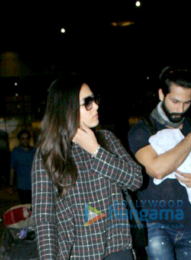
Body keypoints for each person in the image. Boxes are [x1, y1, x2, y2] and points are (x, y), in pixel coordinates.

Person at [31, 75, 143, 260]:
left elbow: (136, 180)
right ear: (67, 108)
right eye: (87, 102)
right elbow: (44, 218)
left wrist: (96, 151)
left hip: (116, 246)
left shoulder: (107, 139)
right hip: (76, 252)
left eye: (94, 99)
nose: (96, 106)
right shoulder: (49, 152)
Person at [128, 67, 191, 260]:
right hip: (155, 224)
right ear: (161, 94)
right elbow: (157, 169)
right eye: (175, 101)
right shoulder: (143, 130)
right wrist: (190, 139)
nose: (180, 109)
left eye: (186, 103)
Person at [9, 129, 35, 204]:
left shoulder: (34, 151)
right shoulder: (16, 152)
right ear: (19, 140)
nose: (25, 141)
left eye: (27, 138)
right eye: (23, 139)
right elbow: (12, 169)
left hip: (34, 185)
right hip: (22, 186)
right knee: (25, 207)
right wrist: (10, 185)